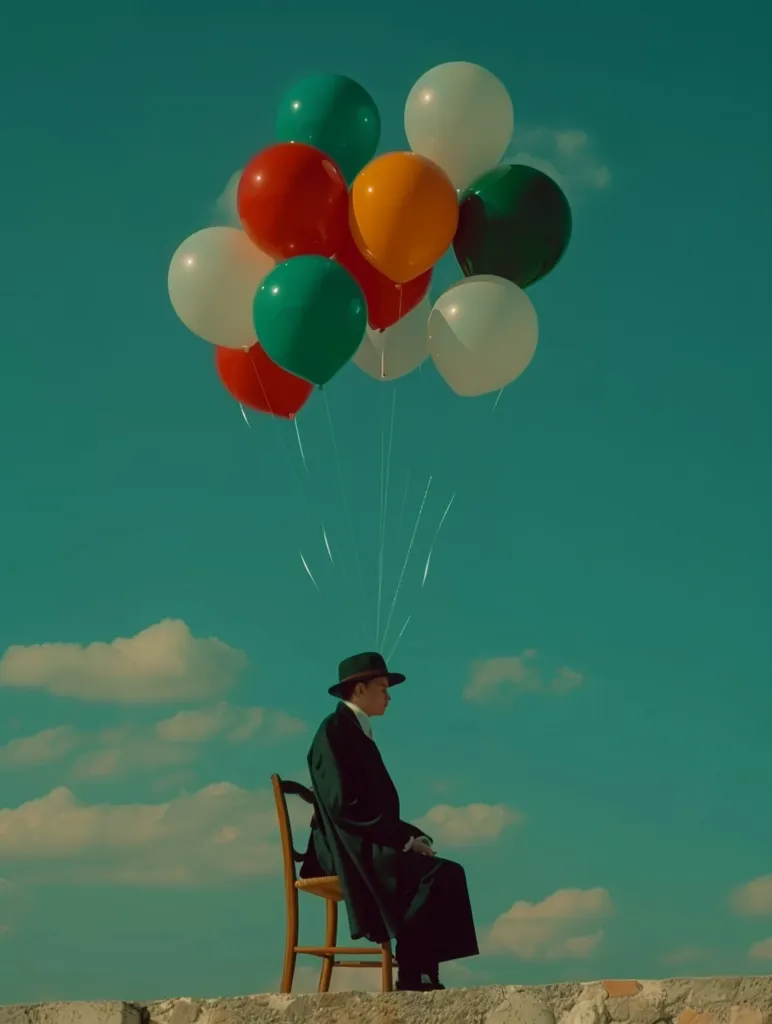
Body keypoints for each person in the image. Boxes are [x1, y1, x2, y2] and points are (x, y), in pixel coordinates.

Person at [299, 651, 479, 991]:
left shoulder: (355, 731)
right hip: (343, 845)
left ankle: (422, 971)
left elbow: (370, 807)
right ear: (360, 688)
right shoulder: (333, 731)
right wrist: (403, 840)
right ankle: (414, 974)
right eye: (382, 687)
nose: (389, 695)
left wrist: (412, 836)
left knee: (443, 870)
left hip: (363, 837)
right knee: (435, 874)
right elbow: (343, 806)